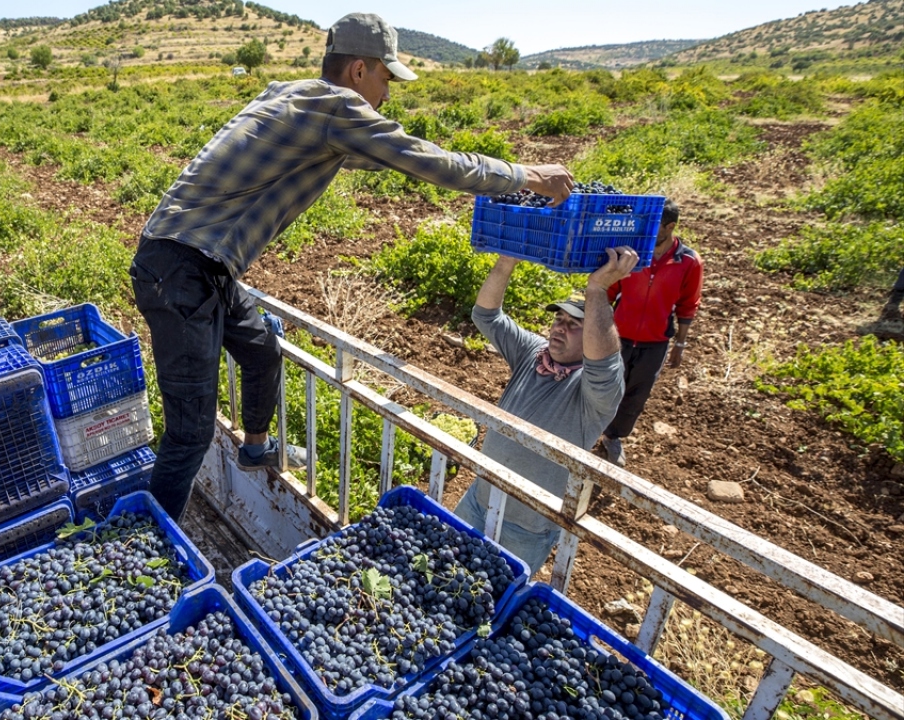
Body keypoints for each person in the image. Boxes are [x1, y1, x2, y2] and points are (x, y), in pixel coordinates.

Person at [129, 12, 576, 521]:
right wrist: (527, 175)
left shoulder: (291, 94)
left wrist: (438, 163)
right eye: (386, 80)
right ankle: (152, 551)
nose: (387, 95)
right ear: (359, 70)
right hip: (183, 268)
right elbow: (429, 160)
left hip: (200, 265)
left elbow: (386, 156)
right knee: (191, 432)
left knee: (259, 350)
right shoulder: (338, 106)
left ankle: (256, 447)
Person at [454, 249, 635, 571]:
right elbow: (486, 315)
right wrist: (508, 258)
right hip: (479, 499)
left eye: (574, 325)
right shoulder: (533, 353)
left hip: (526, 526)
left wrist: (598, 291)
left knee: (491, 596)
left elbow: (604, 364)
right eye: (558, 319)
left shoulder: (596, 393)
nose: (559, 329)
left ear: (592, 334)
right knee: (443, 571)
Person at [598, 201, 704, 467]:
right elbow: (607, 290)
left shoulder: (689, 262)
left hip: (655, 341)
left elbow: (688, 303)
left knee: (636, 394)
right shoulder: (631, 254)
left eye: (654, 225)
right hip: (617, 335)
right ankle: (587, 430)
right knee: (603, 385)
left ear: (670, 227)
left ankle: (612, 436)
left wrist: (680, 342)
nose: (646, 230)